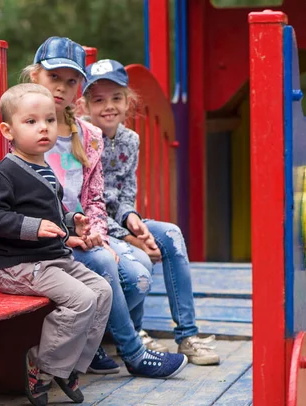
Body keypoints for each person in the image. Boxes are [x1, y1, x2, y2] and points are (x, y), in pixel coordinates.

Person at [23, 37, 188, 379]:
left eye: (71, 81)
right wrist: (88, 239)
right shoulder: (24, 130)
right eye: (54, 78)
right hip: (45, 240)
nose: (62, 88)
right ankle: (134, 353)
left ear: (78, 89)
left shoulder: (90, 135)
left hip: (84, 232)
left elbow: (95, 197)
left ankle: (97, 340)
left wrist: (98, 233)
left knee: (139, 273)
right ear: (35, 76)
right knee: (105, 262)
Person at [0, 83, 113, 406]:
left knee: (102, 291)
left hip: (53, 261)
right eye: (31, 122)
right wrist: (33, 227)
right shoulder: (6, 172)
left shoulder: (44, 167)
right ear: (7, 131)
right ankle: (41, 364)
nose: (44, 128)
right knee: (81, 299)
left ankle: (68, 367)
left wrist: (70, 222)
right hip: (20, 265)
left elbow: (51, 212)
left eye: (50, 121)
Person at [81, 59, 220, 366]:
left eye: (116, 98)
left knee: (170, 233)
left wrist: (133, 220)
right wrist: (130, 239)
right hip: (95, 228)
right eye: (99, 100)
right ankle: (136, 331)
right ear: (85, 105)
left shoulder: (131, 140)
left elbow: (127, 192)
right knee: (141, 257)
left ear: (128, 101)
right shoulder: (83, 140)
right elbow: (89, 204)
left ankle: (187, 335)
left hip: (120, 223)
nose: (109, 107)